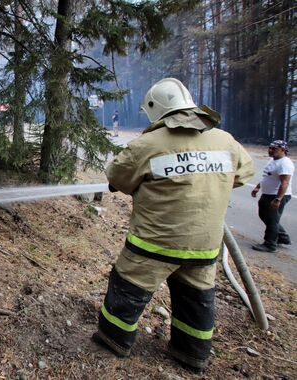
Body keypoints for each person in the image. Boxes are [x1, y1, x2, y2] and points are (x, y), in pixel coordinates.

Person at [93, 78, 254, 373]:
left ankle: (114, 340)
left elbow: (117, 178)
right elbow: (242, 174)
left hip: (152, 247)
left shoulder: (147, 144)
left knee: (127, 290)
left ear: (155, 110)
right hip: (203, 248)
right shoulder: (225, 141)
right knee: (196, 300)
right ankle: (192, 354)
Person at [251, 140, 294, 252]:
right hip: (267, 193)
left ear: (283, 150)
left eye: (275, 149)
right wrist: (258, 186)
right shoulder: (273, 160)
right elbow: (267, 176)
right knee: (264, 215)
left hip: (276, 195)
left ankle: (270, 244)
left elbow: (285, 183)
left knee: (272, 219)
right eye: (270, 148)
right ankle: (283, 237)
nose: (271, 150)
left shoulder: (285, 163)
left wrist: (278, 199)